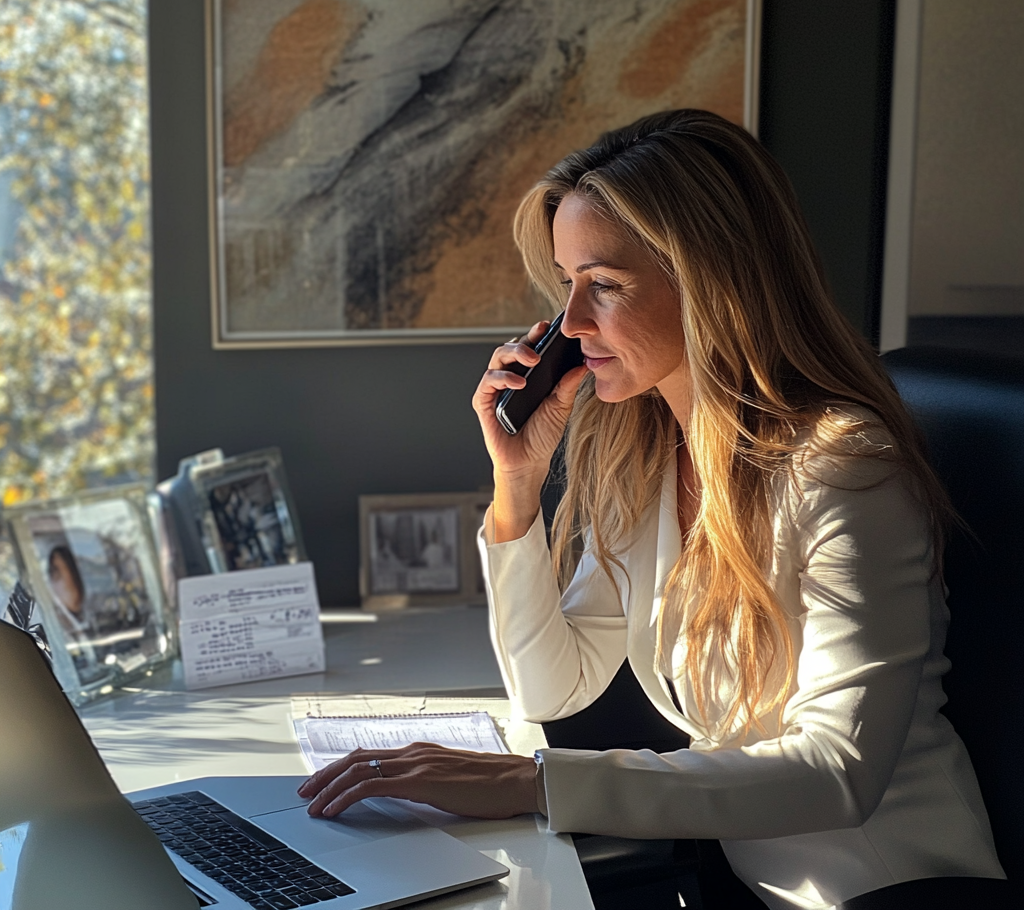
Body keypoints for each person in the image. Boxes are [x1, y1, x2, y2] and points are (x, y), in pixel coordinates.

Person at [298, 111, 1008, 908]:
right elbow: (551, 689)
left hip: (894, 894)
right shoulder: (647, 455)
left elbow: (837, 772)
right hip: (747, 888)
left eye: (603, 284)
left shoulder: (843, 468)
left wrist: (536, 782)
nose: (570, 323)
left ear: (709, 279)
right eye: (567, 284)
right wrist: (516, 488)